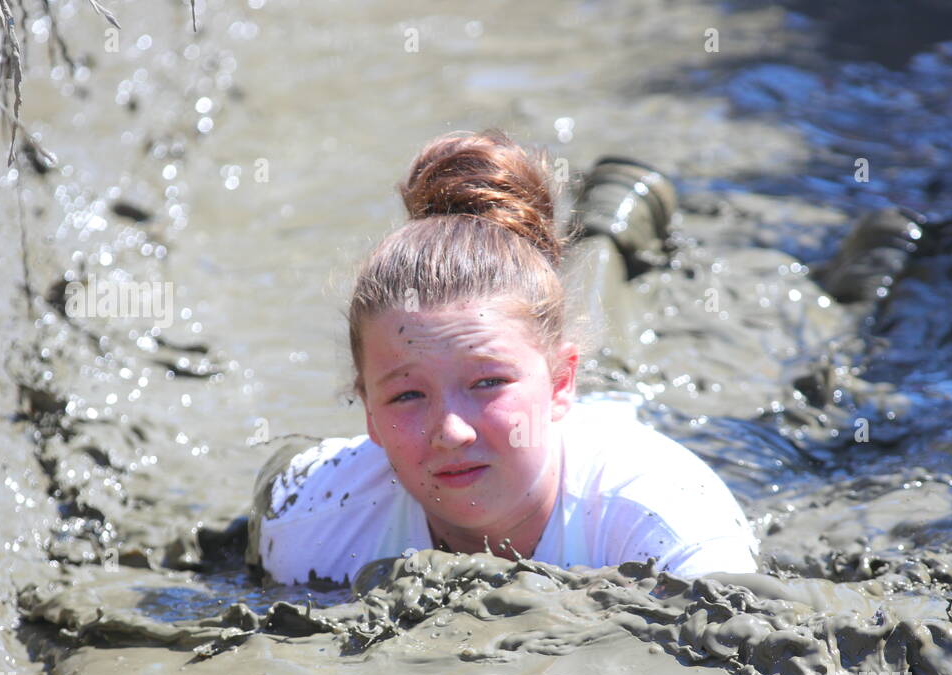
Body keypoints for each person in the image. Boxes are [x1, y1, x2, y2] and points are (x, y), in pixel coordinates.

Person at [249, 128, 758, 589]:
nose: (451, 432)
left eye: (487, 382)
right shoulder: (309, 522)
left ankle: (611, 228)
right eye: (406, 394)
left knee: (611, 365)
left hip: (598, 420)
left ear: (561, 384)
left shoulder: (666, 525)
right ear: (368, 413)